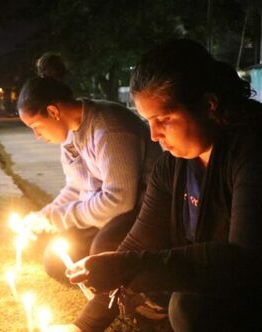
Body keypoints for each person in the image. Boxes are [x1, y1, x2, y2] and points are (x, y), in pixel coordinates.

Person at [58, 39, 262, 331]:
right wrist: (82, 325)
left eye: (163, 118)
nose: (153, 135)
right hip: (249, 274)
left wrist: (130, 267)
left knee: (190, 306)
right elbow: (139, 243)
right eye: (147, 120)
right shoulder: (175, 162)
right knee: (122, 255)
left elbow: (245, 262)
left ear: (208, 105)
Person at [17, 75, 162, 285]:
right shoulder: (70, 135)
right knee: (55, 260)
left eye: (36, 126)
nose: (36, 135)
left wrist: (58, 219)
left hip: (143, 210)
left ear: (53, 111)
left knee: (100, 252)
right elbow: (76, 187)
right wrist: (44, 216)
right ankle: (106, 284)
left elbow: (119, 201)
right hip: (110, 215)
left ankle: (142, 296)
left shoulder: (109, 128)